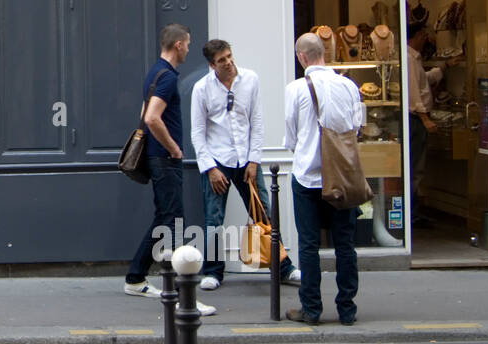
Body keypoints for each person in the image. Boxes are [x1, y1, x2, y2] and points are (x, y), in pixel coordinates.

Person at [191, 39, 299, 290]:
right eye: (221, 60)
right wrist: (210, 168)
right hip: (217, 161)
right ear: (211, 65)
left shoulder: (250, 79)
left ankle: (284, 267)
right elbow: (198, 132)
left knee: (264, 215)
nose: (228, 63)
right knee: (213, 220)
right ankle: (213, 272)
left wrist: (254, 160)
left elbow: (257, 121)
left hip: (246, 161)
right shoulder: (201, 89)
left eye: (229, 56)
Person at [123, 24, 216, 315]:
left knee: (165, 218)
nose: (189, 48)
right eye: (187, 44)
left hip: (157, 158)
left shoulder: (155, 72)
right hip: (165, 160)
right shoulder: (167, 77)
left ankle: (135, 278)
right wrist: (174, 148)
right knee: (174, 225)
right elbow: (151, 118)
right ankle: (180, 294)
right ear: (178, 45)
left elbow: (143, 113)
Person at [283, 32, 365, 325]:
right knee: (345, 244)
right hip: (341, 178)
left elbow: (290, 138)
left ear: (301, 57)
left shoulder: (295, 89)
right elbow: (357, 128)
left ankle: (312, 309)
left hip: (307, 177)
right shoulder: (348, 85)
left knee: (308, 245)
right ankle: (347, 309)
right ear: (324, 52)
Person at [406, 21, 448, 229]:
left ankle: (413, 212)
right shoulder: (408, 58)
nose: (427, 39)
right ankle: (411, 214)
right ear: (418, 35)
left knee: (416, 167)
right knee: (415, 168)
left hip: (417, 118)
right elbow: (413, 92)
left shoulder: (414, 58)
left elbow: (422, 81)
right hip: (415, 120)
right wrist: (425, 119)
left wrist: (445, 67)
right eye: (424, 35)